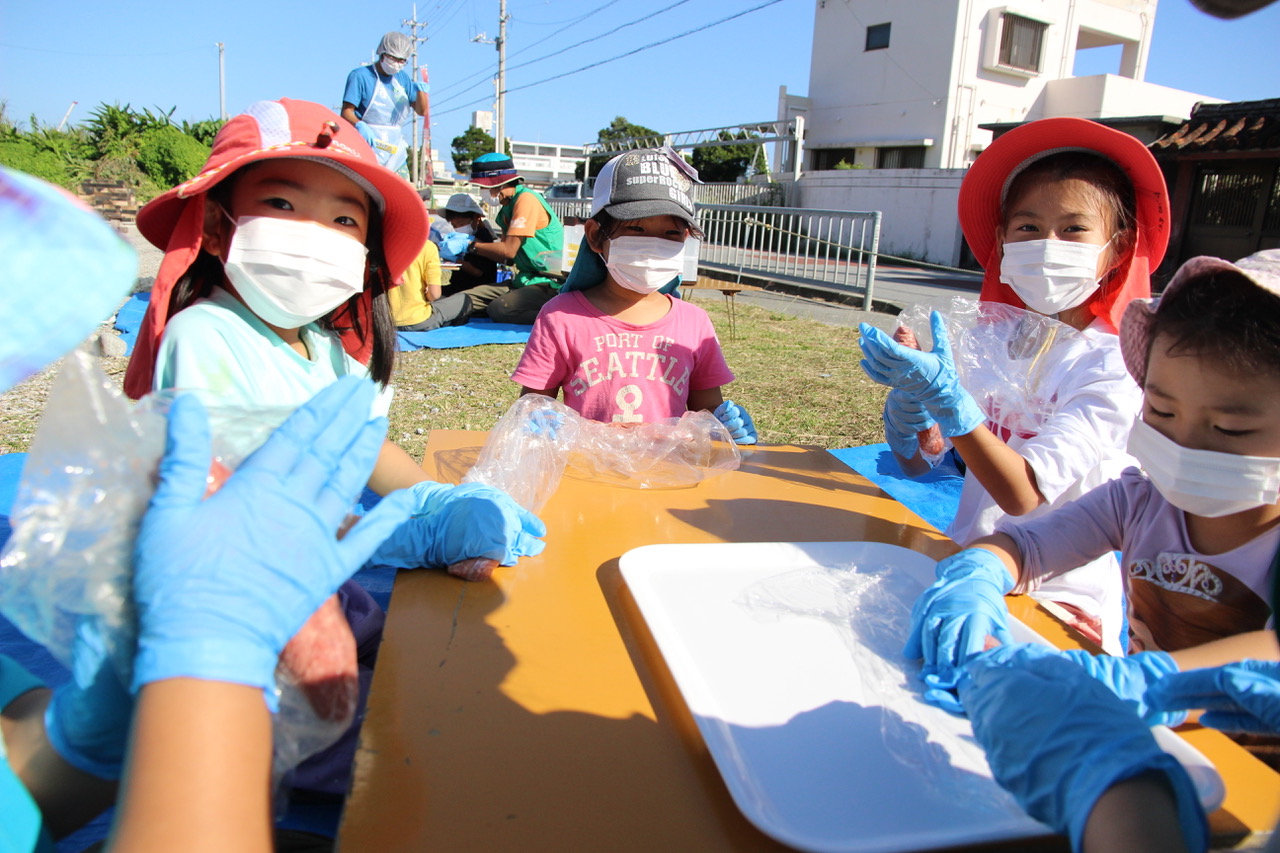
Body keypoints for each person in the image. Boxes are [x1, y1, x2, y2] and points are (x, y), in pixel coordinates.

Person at [0, 167, 416, 852]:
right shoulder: (205, 334)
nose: (312, 235)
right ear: (219, 226)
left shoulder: (326, 348)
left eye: (344, 220)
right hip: (252, 599)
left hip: (294, 593)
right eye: (281, 204)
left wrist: (81, 738)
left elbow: (29, 763)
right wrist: (203, 676)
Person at [908, 250, 1280, 717]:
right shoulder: (1137, 503)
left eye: (1228, 429)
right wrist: (977, 576)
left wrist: (1142, 680)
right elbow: (1028, 547)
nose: (1183, 443)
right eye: (1162, 412)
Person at [860, 117, 1169, 653]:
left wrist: (950, 404)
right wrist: (912, 420)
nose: (1048, 244)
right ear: (1001, 240)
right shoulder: (1000, 344)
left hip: (1057, 599)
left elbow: (1023, 493)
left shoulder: (1112, 366)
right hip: (968, 568)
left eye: (1073, 229)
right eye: (1027, 227)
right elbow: (926, 466)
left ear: (1117, 250)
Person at [510, 147, 758, 444]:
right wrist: (535, 421)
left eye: (671, 234)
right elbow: (534, 405)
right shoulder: (560, 317)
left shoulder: (694, 323)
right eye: (636, 228)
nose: (652, 245)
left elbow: (706, 409)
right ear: (595, 236)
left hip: (669, 474)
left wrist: (727, 426)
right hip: (588, 472)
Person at [465, 152, 565, 325]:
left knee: (500, 309)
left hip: (550, 282)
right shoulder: (506, 209)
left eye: (483, 188)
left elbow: (508, 251)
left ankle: (560, 320)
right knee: (467, 298)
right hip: (526, 279)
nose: (482, 193)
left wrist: (471, 245)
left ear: (498, 183)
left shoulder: (526, 200)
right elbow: (506, 258)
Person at [340, 31, 427, 178]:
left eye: (402, 61)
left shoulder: (402, 78)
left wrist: (421, 92)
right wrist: (360, 125)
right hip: (366, 145)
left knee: (400, 194)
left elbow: (421, 111)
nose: (397, 64)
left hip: (395, 150)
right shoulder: (360, 76)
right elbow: (346, 112)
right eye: (393, 58)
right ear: (382, 53)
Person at [435, 192, 505, 311]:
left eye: (461, 224)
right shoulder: (460, 236)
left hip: (473, 292)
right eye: (454, 225)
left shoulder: (482, 238)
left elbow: (477, 272)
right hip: (459, 287)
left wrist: (455, 260)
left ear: (476, 218)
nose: (458, 227)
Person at [388, 236, 473, 332]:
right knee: (464, 299)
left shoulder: (376, 245)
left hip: (381, 321)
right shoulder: (427, 246)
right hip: (417, 321)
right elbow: (434, 295)